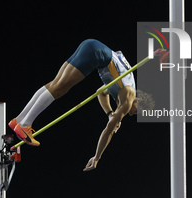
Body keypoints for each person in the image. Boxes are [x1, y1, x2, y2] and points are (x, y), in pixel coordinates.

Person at [8, 39, 154, 171]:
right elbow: (109, 131)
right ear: (139, 101)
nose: (131, 114)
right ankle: (25, 124)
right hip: (97, 53)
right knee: (59, 89)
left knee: (54, 84)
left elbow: (101, 92)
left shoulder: (125, 88)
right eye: (136, 112)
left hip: (93, 46)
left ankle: (19, 120)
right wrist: (97, 157)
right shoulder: (128, 98)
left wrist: (110, 114)